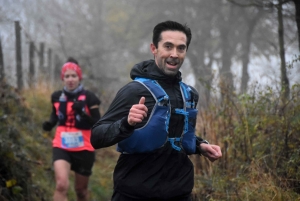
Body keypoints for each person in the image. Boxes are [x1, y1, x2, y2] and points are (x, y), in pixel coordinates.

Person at [91, 20, 222, 201]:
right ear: (154, 48)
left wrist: (200, 146)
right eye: (168, 46)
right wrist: (126, 123)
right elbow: (96, 138)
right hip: (134, 195)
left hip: (180, 193)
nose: (174, 54)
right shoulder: (134, 91)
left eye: (181, 48)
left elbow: (172, 134)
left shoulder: (189, 94)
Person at [42, 57, 101, 201]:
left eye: (73, 76)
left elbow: (98, 123)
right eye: (67, 76)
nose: (70, 79)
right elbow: (55, 115)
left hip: (84, 148)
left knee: (81, 191)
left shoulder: (89, 97)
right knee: (61, 185)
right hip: (62, 145)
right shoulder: (56, 96)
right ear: (63, 78)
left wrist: (82, 113)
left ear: (79, 77)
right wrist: (50, 124)